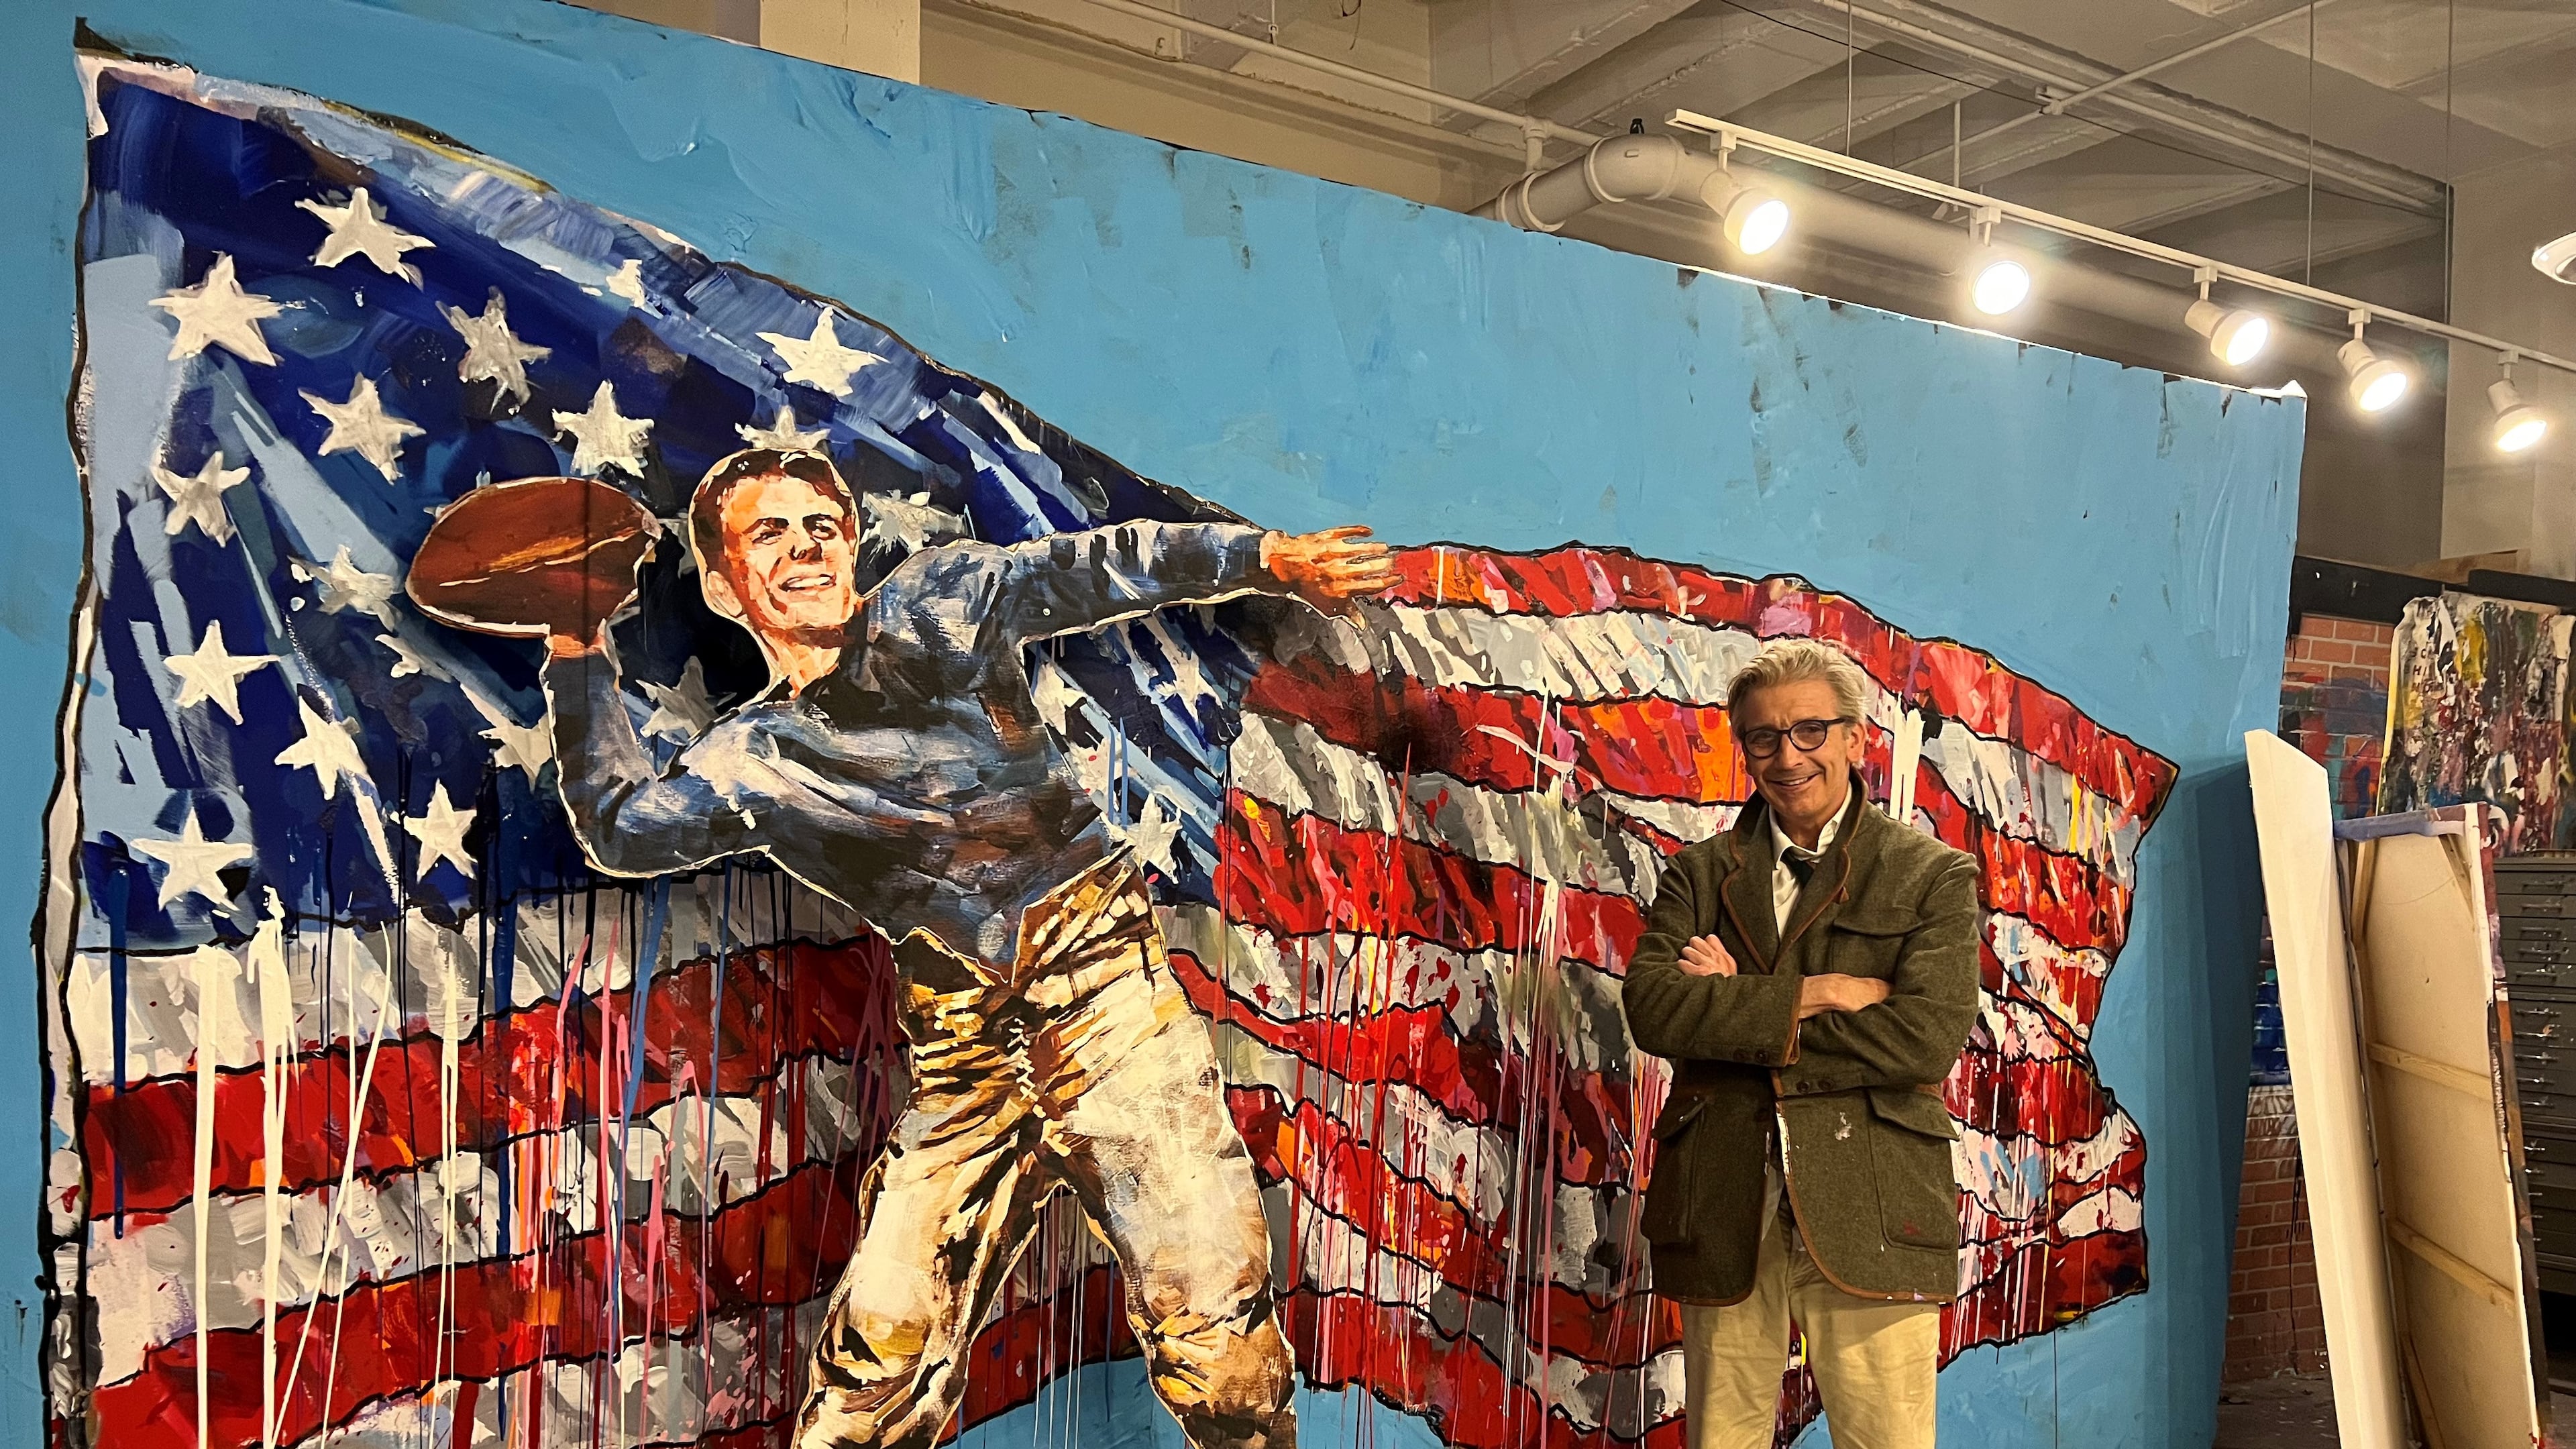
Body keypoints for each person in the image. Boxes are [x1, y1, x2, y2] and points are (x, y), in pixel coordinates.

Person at [535, 447, 1400, 1449]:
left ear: (852, 542)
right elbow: (623, 828)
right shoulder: (756, 757)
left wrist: (1266, 557)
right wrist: (573, 644)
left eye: (821, 524)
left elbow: (1095, 566)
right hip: (963, 1053)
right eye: (768, 534)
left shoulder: (936, 603)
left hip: (1103, 998)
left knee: (1217, 1343)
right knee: (873, 1372)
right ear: (728, 590)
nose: (805, 548)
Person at [1621, 638, 1980, 1449]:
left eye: (1811, 731)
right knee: (1723, 1439)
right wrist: (1816, 996)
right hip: (1723, 1203)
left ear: (1857, 738)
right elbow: (1654, 1010)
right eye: (1764, 737)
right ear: (1743, 749)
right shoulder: (1700, 875)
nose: (1790, 756)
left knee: (1884, 1439)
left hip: (1873, 1202)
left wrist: (1733, 1011)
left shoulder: (1931, 876)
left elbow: (1923, 1039)